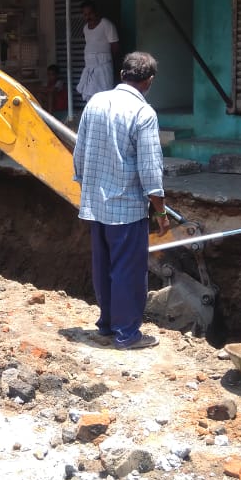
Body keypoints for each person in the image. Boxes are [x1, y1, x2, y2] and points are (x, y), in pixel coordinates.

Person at [72, 50, 165, 350]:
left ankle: (107, 326)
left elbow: (80, 154)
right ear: (149, 81)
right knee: (128, 271)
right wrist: (161, 213)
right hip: (126, 208)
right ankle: (127, 334)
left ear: (123, 74)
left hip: (96, 206)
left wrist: (89, 188)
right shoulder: (143, 114)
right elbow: (151, 171)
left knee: (103, 267)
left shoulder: (95, 103)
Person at [76, 0, 120, 102]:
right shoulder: (85, 28)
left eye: (90, 13)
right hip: (89, 67)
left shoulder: (106, 24)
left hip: (103, 65)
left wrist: (106, 61)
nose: (88, 17)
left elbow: (115, 46)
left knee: (104, 95)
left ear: (96, 12)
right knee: (90, 96)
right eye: (85, 14)